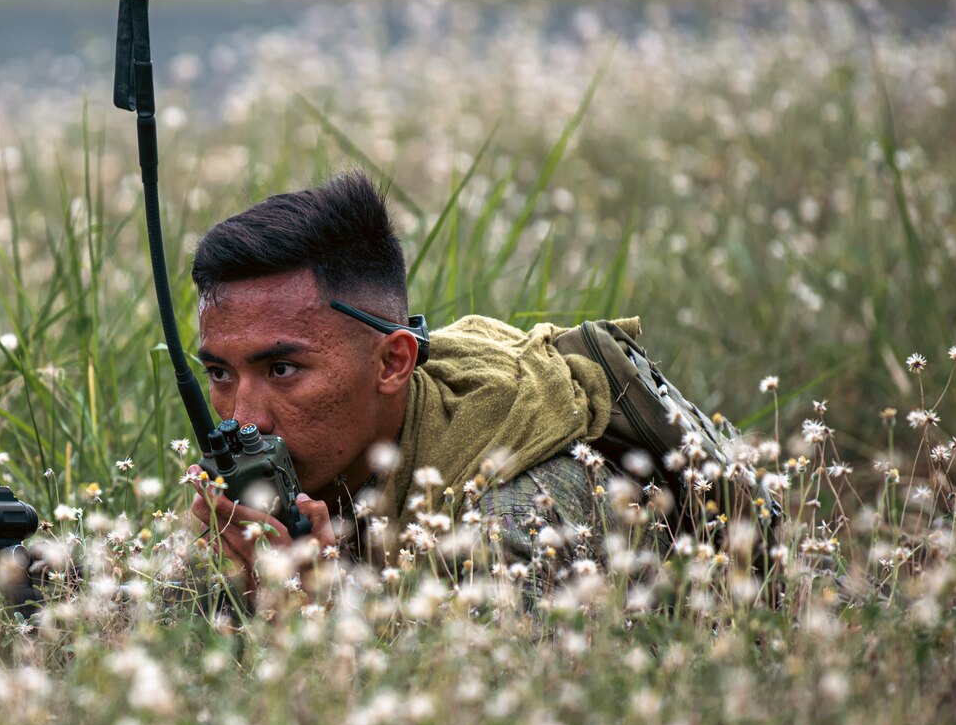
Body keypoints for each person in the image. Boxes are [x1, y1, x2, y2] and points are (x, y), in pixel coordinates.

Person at [186, 170, 628, 601]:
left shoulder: (517, 516)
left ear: (392, 364)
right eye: (220, 373)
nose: (244, 418)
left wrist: (298, 613)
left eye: (281, 369)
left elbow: (489, 674)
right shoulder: (254, 481)